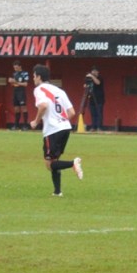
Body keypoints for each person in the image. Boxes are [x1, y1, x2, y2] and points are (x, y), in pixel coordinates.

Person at [29, 64, 83, 196]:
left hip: (53, 130)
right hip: (65, 128)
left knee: (49, 164)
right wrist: (61, 120)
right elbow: (71, 112)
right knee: (55, 161)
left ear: (39, 77)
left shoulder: (39, 89)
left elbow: (43, 105)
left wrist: (36, 121)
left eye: (34, 76)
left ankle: (73, 163)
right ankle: (57, 191)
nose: (33, 79)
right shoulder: (59, 91)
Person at [7, 60, 30, 130]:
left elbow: (25, 84)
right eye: (14, 68)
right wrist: (11, 82)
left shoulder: (24, 73)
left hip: (21, 92)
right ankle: (16, 125)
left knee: (23, 108)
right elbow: (14, 84)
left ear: (20, 67)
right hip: (15, 92)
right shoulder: (14, 74)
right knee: (16, 109)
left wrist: (16, 82)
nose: (15, 69)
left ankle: (25, 125)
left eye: (16, 68)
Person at [85, 66, 105, 132]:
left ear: (98, 72)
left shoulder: (100, 78)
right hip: (91, 99)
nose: (94, 72)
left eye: (95, 71)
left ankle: (99, 127)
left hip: (99, 99)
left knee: (99, 113)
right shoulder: (90, 79)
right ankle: (93, 127)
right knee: (93, 114)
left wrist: (92, 76)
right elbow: (86, 85)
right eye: (93, 71)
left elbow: (98, 83)